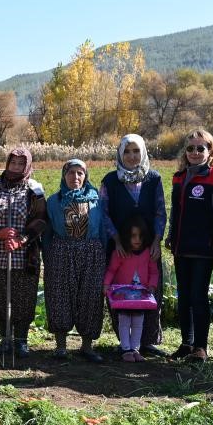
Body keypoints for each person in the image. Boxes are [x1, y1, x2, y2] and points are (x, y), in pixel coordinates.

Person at [166, 129, 213, 362]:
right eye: (191, 148)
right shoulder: (179, 177)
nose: (195, 152)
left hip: (204, 248)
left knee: (198, 296)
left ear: (210, 151)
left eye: (200, 148)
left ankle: (201, 347)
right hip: (181, 247)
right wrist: (171, 235)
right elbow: (176, 212)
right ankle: (186, 343)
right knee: (183, 296)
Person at [100, 134, 166, 356]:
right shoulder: (110, 181)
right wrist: (117, 239)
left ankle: (146, 341)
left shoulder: (154, 179)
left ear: (144, 152)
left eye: (136, 151)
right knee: (121, 295)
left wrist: (157, 241)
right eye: (127, 151)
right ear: (120, 154)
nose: (131, 156)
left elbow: (160, 212)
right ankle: (125, 343)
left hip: (148, 249)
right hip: (120, 250)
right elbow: (104, 213)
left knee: (149, 292)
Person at [0, 147, 47, 357]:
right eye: (13, 163)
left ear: (27, 166)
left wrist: (20, 239)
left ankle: (21, 340)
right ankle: (5, 338)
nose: (16, 167)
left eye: (20, 164)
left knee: (23, 299)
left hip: (24, 256)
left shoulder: (34, 191)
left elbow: (41, 220)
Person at [43, 158, 105, 361]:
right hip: (61, 251)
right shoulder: (54, 201)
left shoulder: (96, 200)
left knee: (90, 297)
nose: (75, 177)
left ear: (86, 176)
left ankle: (87, 346)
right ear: (64, 175)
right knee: (60, 295)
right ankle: (61, 346)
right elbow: (47, 232)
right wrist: (48, 256)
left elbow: (103, 230)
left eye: (80, 173)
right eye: (71, 173)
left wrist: (104, 253)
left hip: (92, 252)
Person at [103, 216, 160, 362]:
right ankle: (125, 349)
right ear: (126, 236)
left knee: (138, 321)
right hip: (122, 295)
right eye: (133, 236)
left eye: (140, 236)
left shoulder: (148, 252)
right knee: (124, 320)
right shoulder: (120, 253)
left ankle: (135, 349)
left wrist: (152, 286)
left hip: (141, 296)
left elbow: (154, 272)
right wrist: (106, 285)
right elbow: (111, 270)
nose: (137, 240)